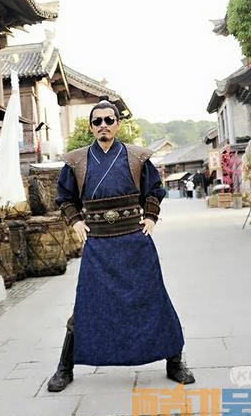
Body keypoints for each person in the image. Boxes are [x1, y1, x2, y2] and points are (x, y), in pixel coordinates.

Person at [47, 99, 195, 392]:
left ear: (118, 124)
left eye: (108, 120)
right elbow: (64, 196)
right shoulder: (76, 161)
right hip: (98, 244)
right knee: (87, 303)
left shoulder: (137, 157)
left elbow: (154, 189)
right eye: (97, 121)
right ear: (91, 127)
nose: (103, 125)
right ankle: (65, 368)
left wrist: (150, 216)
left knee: (154, 299)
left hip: (134, 241)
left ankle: (175, 362)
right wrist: (75, 221)